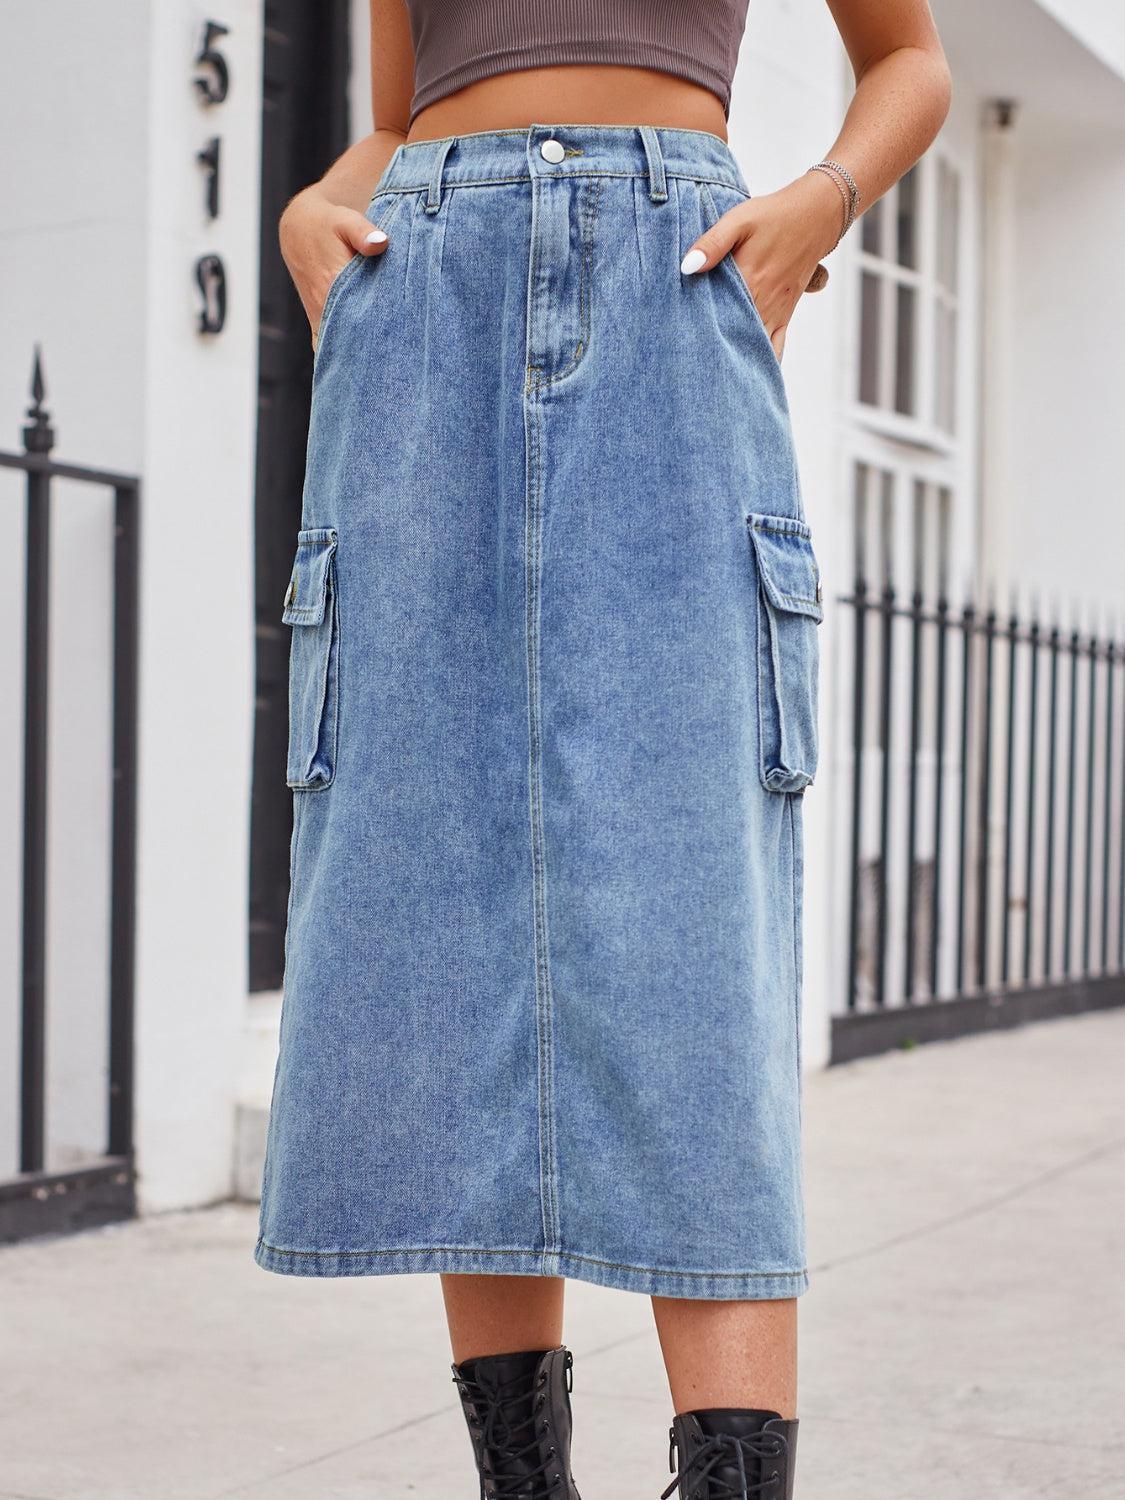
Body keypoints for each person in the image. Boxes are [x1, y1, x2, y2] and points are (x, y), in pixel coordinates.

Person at [255, 2, 951, 1494]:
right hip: (426, 295)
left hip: (671, 277)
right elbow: (396, 117)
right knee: (453, 931)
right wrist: (317, 205)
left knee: (692, 932)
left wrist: (822, 202)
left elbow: (912, 60)